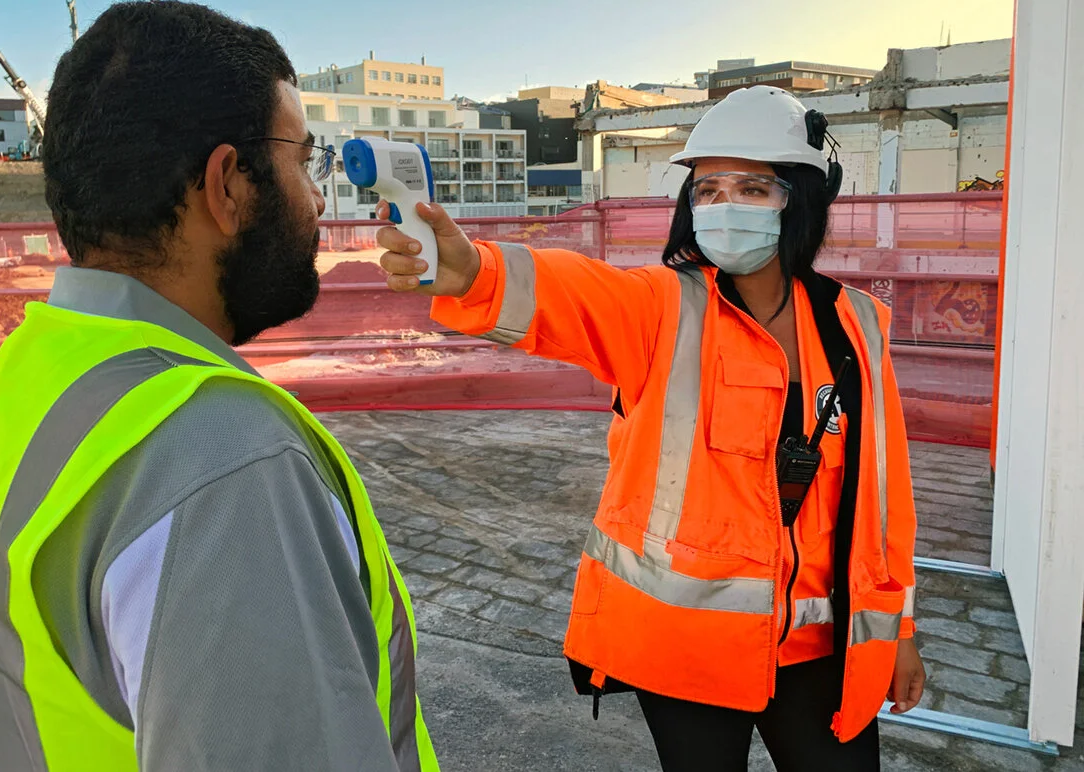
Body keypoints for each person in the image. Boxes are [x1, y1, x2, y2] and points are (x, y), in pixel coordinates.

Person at [0, 0, 439, 772]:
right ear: (229, 185)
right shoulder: (224, 461)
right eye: (304, 162)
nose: (316, 199)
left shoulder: (40, 366)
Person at [375, 85, 924, 771]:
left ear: (803, 197)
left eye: (753, 187)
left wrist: (900, 632)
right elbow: (571, 291)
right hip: (686, 654)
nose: (724, 206)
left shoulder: (858, 324)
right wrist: (471, 273)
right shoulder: (661, 309)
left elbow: (884, 501)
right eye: (708, 189)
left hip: (820, 650)